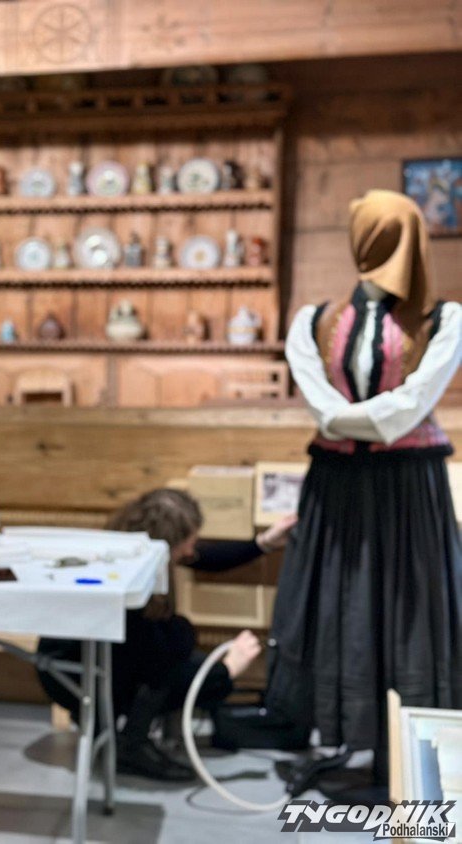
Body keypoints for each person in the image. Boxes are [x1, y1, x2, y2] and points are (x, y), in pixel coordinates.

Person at [268, 189, 462, 794]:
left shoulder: (444, 321)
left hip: (408, 494)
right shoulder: (314, 321)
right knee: (338, 605)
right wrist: (352, 422)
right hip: (338, 491)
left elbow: (408, 408)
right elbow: (320, 401)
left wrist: (345, 422)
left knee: (407, 611)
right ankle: (346, 738)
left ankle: (406, 755)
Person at [37, 489, 295, 782]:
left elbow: (205, 558)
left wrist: (264, 542)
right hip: (78, 680)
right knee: (191, 668)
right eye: (188, 543)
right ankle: (131, 746)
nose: (190, 551)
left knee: (175, 651)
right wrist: (228, 669)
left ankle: (109, 732)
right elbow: (160, 658)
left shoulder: (128, 548)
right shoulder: (130, 587)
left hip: (65, 667)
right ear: (168, 543)